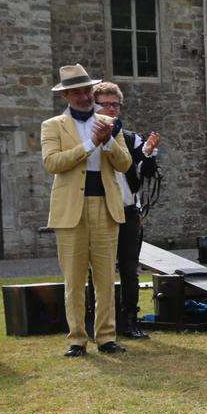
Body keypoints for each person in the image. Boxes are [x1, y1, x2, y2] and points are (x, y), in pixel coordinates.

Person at [42, 64, 133, 356]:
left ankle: (106, 337)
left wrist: (107, 142)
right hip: (71, 208)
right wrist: (89, 143)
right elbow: (53, 163)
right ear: (66, 96)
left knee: (106, 278)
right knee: (74, 279)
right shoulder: (53, 125)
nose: (83, 96)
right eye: (76, 92)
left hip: (105, 206)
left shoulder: (108, 122)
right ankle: (76, 339)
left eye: (86, 91)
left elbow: (125, 164)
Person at [91, 83, 160, 340]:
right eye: (105, 104)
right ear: (94, 106)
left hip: (128, 210)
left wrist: (149, 154)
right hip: (98, 210)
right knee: (98, 270)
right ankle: (96, 321)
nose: (110, 109)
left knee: (130, 269)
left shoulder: (131, 138)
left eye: (115, 105)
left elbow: (148, 172)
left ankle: (131, 320)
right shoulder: (86, 136)